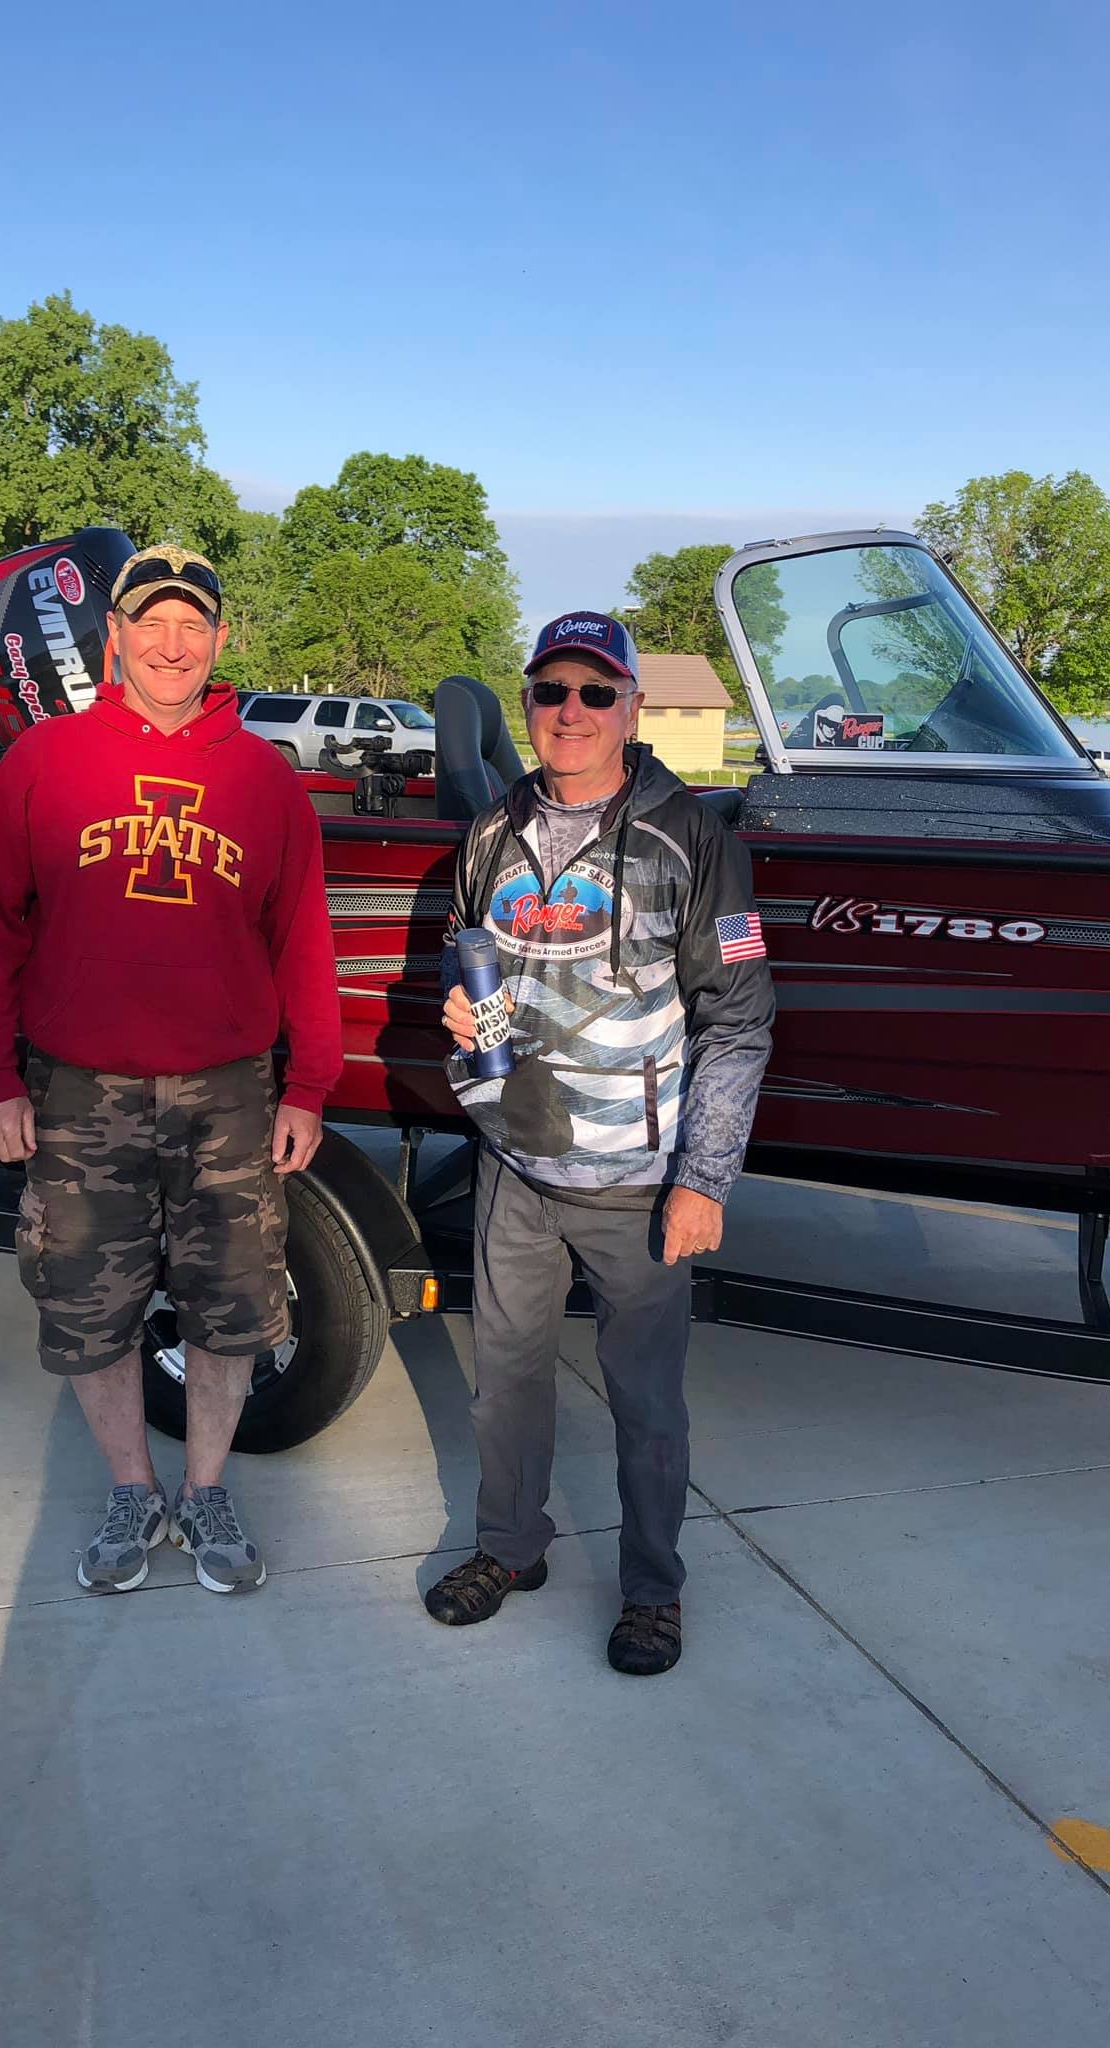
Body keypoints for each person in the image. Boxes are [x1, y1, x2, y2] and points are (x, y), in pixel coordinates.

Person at [0, 544, 340, 1595]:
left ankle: (205, 1488)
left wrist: (308, 1085)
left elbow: (302, 939)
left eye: (193, 624)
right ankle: (134, 1486)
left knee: (230, 1309)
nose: (172, 644)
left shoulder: (264, 779)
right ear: (112, 636)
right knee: (88, 1309)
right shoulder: (42, 764)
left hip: (228, 1093)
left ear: (220, 640)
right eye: (150, 622)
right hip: (81, 1091)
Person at [427, 611, 774, 1675]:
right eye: (548, 691)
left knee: (646, 1403)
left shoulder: (691, 837)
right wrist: (463, 1030)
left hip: (640, 1179)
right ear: (526, 704)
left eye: (593, 690)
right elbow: (472, 967)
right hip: (517, 1166)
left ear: (630, 705)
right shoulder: (492, 831)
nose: (567, 711)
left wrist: (703, 1179)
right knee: (505, 1382)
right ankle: (507, 1546)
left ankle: (653, 1590)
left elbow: (739, 1017)